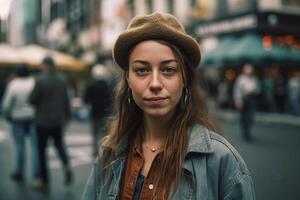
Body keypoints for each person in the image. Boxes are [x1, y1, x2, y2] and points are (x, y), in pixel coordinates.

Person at [81, 12, 255, 200]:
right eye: (142, 70)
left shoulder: (222, 161)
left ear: (185, 79)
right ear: (128, 80)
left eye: (168, 70)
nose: (155, 83)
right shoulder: (110, 152)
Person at [29, 56, 73, 190]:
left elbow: (32, 99)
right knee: (59, 145)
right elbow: (66, 100)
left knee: (42, 151)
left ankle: (44, 181)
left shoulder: (40, 80)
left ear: (45, 65)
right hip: (58, 120)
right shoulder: (62, 80)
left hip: (42, 121)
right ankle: (66, 165)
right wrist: (67, 117)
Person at [1, 64, 40, 183]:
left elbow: (6, 104)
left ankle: (20, 172)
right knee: (35, 147)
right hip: (33, 118)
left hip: (17, 118)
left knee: (20, 146)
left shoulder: (13, 85)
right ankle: (37, 173)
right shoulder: (34, 83)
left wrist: (7, 115)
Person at [84, 64, 113, 156]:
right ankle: (105, 150)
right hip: (105, 112)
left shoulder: (90, 84)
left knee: (95, 133)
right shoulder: (107, 85)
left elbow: (85, 99)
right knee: (105, 134)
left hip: (94, 113)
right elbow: (111, 99)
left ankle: (95, 151)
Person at [233, 64, 259, 141]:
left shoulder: (254, 79)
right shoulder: (241, 79)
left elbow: (258, 90)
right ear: (244, 70)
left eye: (250, 69)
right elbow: (237, 90)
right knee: (243, 116)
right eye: (247, 69)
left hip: (251, 98)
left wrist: (255, 90)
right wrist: (238, 100)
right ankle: (244, 131)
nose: (249, 71)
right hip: (243, 98)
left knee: (250, 116)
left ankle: (248, 131)